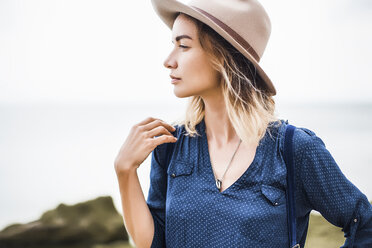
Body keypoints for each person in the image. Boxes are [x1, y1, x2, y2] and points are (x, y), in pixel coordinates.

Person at [114, 0, 372, 247]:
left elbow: (364, 224)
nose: (168, 60)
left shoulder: (294, 150)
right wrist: (125, 171)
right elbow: (155, 242)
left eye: (183, 46)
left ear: (222, 55)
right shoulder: (169, 147)